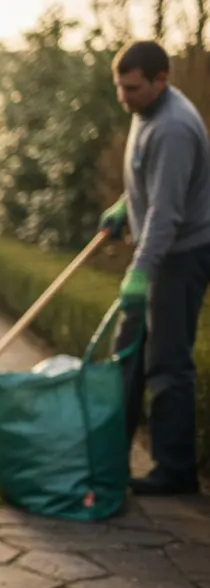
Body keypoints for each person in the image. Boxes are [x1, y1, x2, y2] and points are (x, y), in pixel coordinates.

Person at [99, 40, 210, 495]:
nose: (124, 97)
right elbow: (153, 181)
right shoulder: (146, 113)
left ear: (161, 80)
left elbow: (167, 215)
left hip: (179, 255)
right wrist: (124, 206)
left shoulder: (174, 128)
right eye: (119, 87)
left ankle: (176, 471)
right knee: (126, 355)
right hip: (159, 246)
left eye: (133, 88)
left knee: (166, 362)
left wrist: (141, 272)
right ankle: (109, 455)